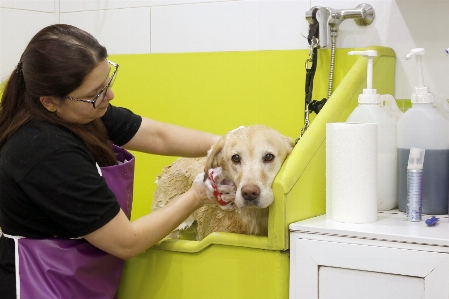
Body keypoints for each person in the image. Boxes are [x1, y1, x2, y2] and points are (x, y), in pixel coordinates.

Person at [0, 24, 233, 299]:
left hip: (80, 278)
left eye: (107, 83)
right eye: (94, 93)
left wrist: (230, 144)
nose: (108, 96)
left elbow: (158, 136)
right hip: (38, 284)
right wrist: (197, 194)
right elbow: (127, 242)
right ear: (50, 102)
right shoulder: (44, 150)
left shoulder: (86, 113)